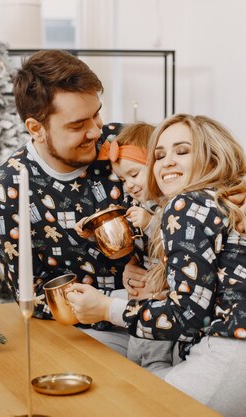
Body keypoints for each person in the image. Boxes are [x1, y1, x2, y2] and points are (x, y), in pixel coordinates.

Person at [0, 49, 246, 357]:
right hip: (88, 336)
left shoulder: (122, 141)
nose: (95, 131)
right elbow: (30, 294)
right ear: (36, 129)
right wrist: (114, 299)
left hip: (177, 325)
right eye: (77, 124)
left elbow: (200, 175)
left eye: (97, 113)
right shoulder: (10, 187)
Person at [67, 114, 246, 417]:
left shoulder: (186, 204)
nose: (166, 162)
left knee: (122, 400)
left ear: (211, 156)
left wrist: (104, 308)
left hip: (237, 363)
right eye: (159, 155)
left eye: (182, 151)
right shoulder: (222, 201)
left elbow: (185, 316)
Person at [75, 122, 174, 374]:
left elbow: (173, 245)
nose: (128, 185)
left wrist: (151, 223)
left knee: (154, 355)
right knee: (135, 349)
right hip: (142, 299)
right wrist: (93, 233)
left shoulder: (171, 208)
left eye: (134, 174)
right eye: (122, 179)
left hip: (161, 301)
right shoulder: (144, 204)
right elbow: (135, 247)